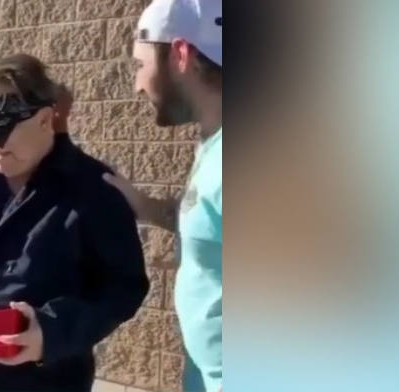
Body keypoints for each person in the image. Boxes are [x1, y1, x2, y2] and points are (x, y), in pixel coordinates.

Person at [0, 53, 150, 392]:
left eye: (7, 126)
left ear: (43, 120)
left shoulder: (93, 188)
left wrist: (50, 332)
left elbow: (124, 287)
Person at [103, 1, 223, 391]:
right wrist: (145, 206)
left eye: (140, 65)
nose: (137, 83)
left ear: (181, 54)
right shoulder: (214, 144)